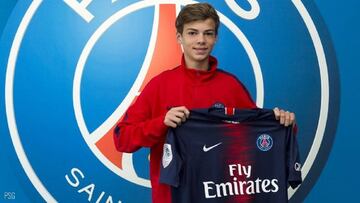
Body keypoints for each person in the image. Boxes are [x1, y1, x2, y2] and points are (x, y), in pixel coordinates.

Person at [113, 3, 295, 203]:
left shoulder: (231, 86)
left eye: (208, 33)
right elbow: (122, 139)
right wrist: (161, 123)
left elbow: (256, 137)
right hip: (171, 197)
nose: (201, 40)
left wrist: (284, 124)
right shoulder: (159, 85)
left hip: (220, 195)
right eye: (192, 33)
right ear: (179, 37)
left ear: (215, 38)